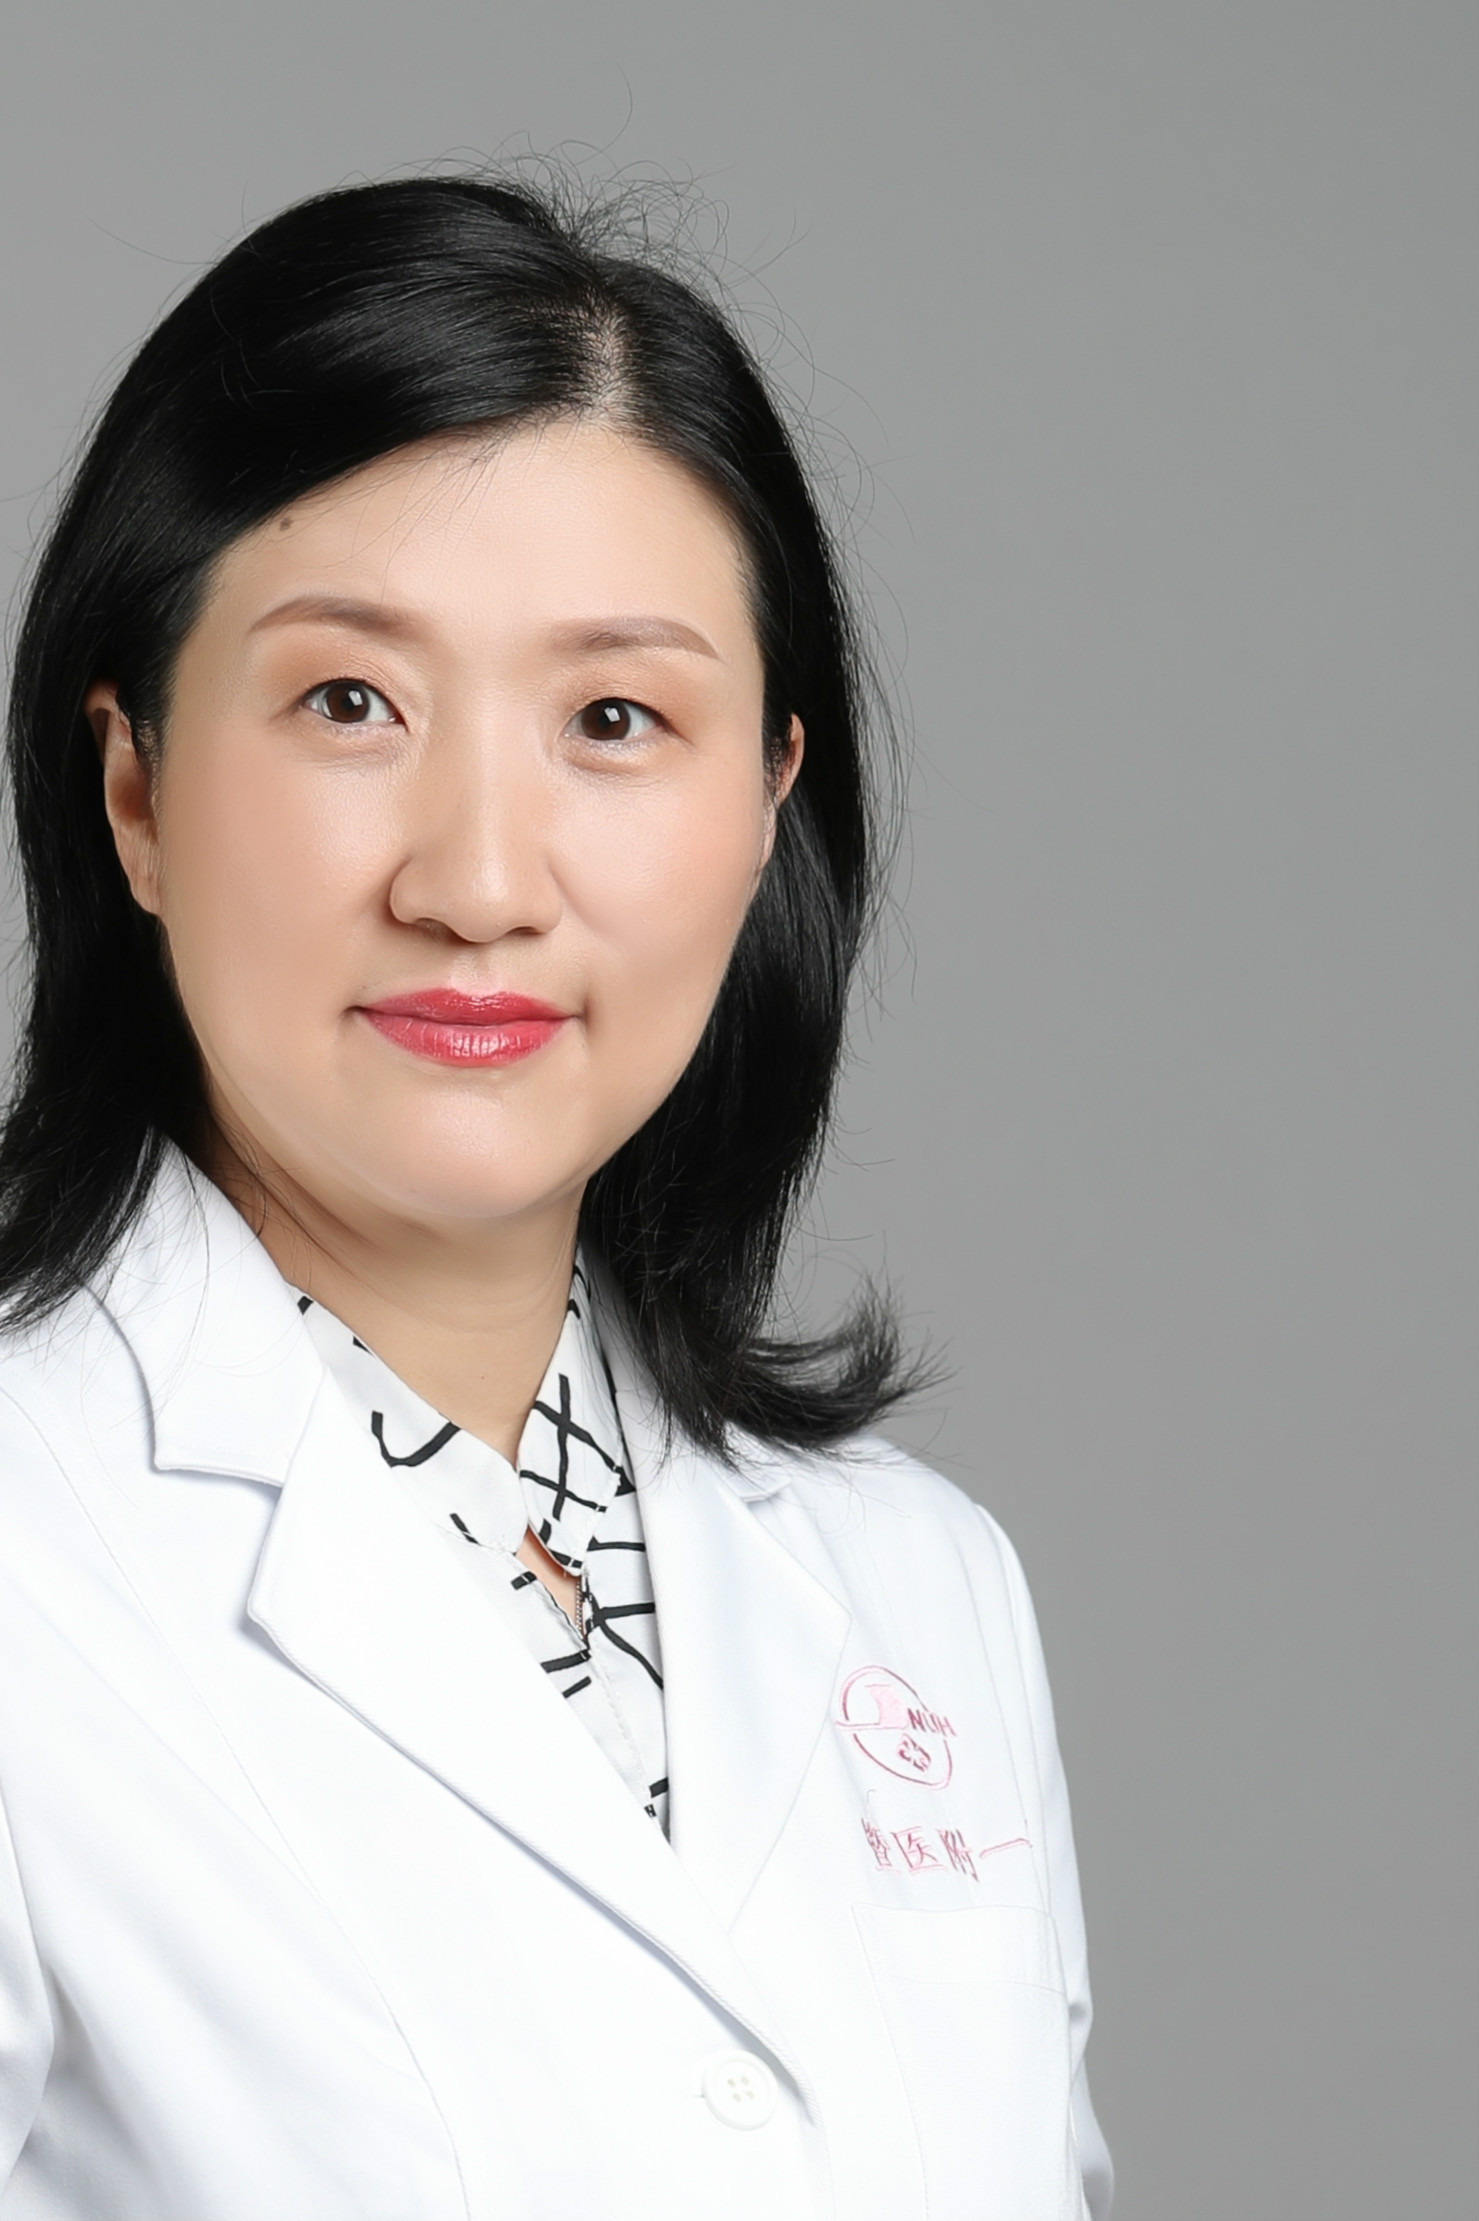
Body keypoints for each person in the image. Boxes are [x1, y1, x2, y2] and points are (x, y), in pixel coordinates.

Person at [0, 173, 1112, 2221]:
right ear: (135, 785)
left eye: (615, 719)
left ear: (765, 804)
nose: (480, 879)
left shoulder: (920, 1589)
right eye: (350, 702)